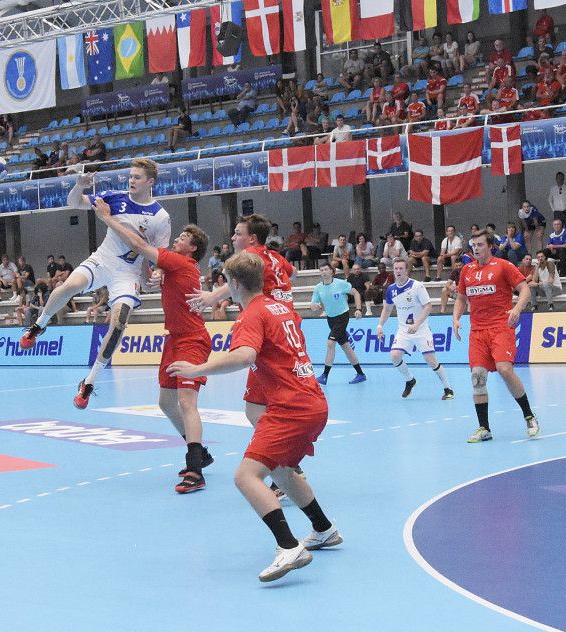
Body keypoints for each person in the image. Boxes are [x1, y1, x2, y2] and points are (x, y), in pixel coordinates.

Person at [168, 252, 340, 583]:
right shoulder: (281, 308)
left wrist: (198, 368)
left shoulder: (251, 316)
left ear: (233, 284)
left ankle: (288, 546)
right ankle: (324, 529)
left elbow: (245, 356)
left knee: (246, 476)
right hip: (312, 400)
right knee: (282, 470)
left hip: (292, 407)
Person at [21, 159, 171, 409]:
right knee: (68, 287)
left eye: (137, 177)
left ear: (150, 182)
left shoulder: (160, 216)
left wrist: (157, 273)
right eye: (130, 176)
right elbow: (74, 203)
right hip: (103, 260)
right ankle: (39, 326)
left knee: (119, 324)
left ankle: (88, 383)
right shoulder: (114, 197)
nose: (131, 180)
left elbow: (160, 254)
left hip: (128, 274)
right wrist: (79, 186)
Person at [93, 201, 214, 493]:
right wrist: (146, 274)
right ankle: (202, 453)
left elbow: (136, 242)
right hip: (173, 339)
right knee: (165, 402)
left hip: (192, 339)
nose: (177, 239)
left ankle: (195, 470)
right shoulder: (172, 265)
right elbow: (149, 280)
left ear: (193, 248)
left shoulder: (181, 262)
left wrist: (108, 218)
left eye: (183, 238)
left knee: (187, 403)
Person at [453, 230, 538, 443]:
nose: (476, 248)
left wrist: (517, 309)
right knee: (478, 377)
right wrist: (456, 319)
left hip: (501, 326)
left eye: (480, 244)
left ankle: (529, 416)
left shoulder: (503, 266)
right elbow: (461, 298)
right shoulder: (467, 270)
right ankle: (484, 428)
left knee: (504, 369)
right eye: (474, 245)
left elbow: (524, 289)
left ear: (490, 246)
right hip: (478, 331)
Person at [377, 258, 454, 400]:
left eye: (401, 268)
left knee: (430, 359)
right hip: (404, 330)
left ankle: (448, 388)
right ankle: (410, 380)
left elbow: (428, 306)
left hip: (421, 329)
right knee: (394, 356)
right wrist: (380, 325)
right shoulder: (391, 289)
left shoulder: (417, 286)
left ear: (406, 270)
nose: (398, 271)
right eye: (396, 269)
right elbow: (387, 309)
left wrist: (417, 324)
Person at [309, 262, 366, 386]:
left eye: (326, 269)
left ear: (331, 271)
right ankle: (360, 374)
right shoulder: (318, 288)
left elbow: (356, 293)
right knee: (346, 347)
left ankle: (324, 375)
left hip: (342, 316)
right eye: (321, 270)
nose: (323, 272)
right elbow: (313, 306)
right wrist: (314, 306)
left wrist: (358, 309)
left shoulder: (340, 284)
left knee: (330, 343)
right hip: (331, 319)